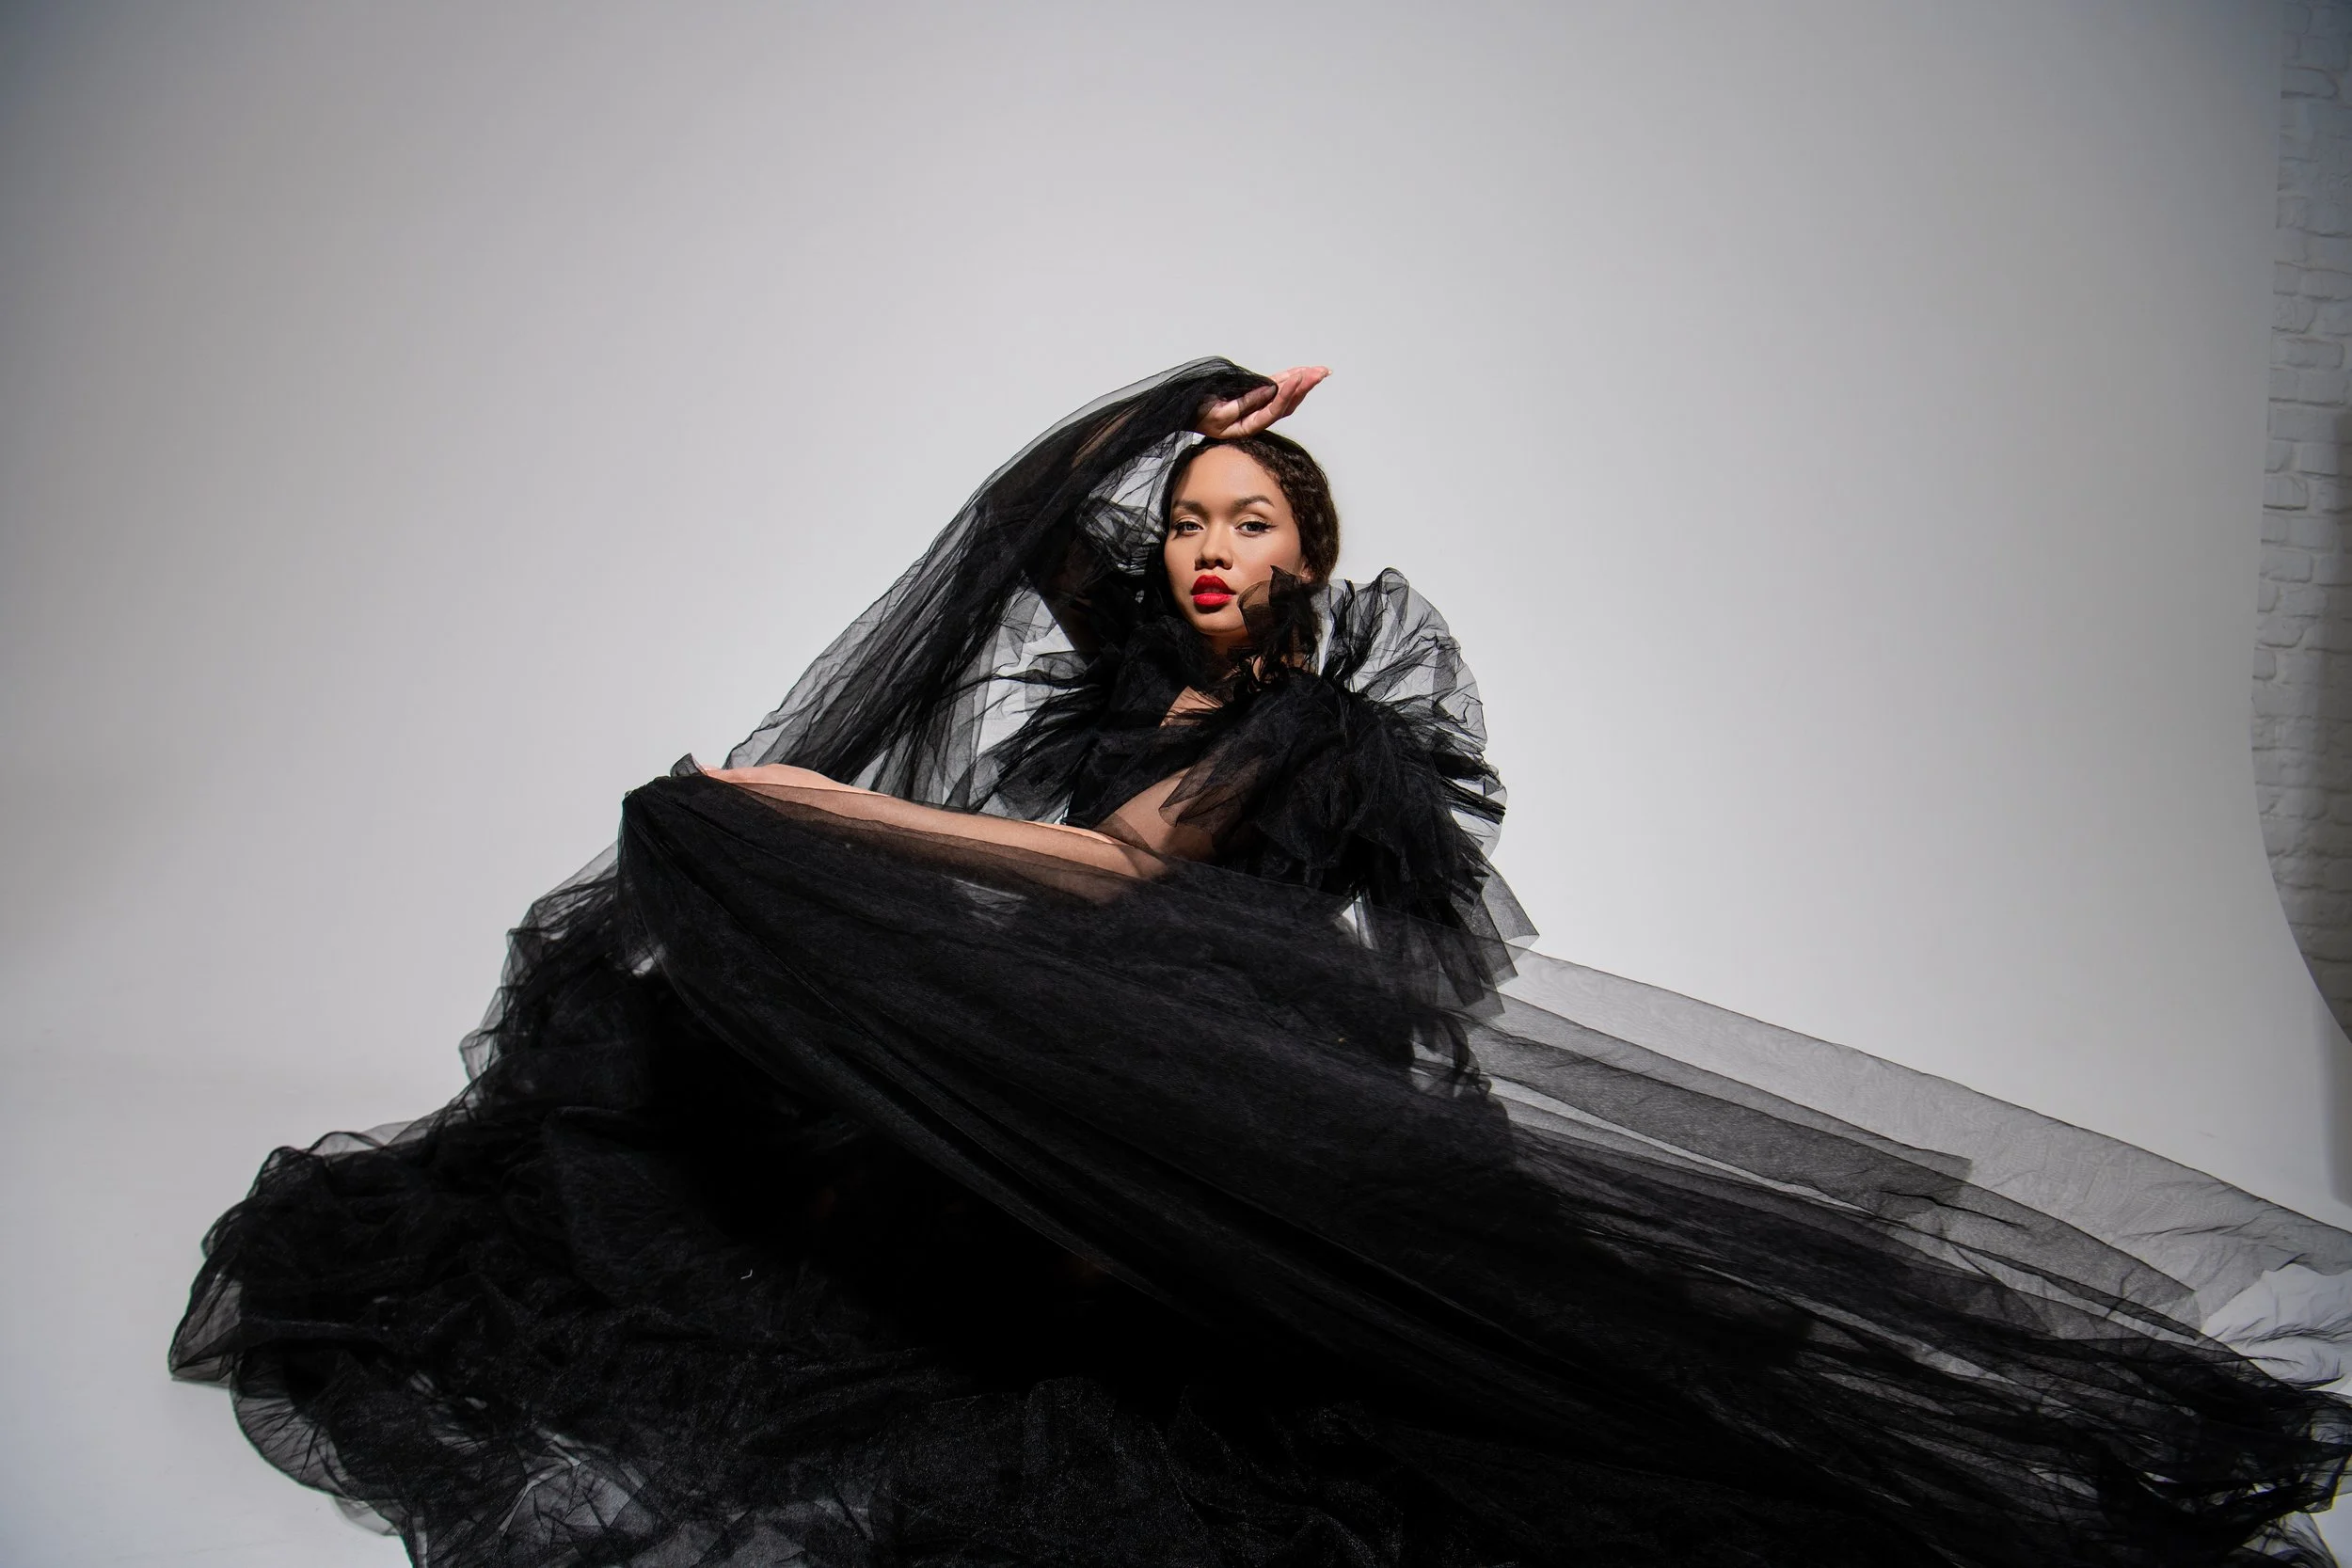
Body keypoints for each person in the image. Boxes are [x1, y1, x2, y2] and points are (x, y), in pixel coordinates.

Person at [173, 359, 2352, 1568]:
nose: (1209, 555)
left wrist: (825, 813)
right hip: (1128, 1021)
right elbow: (1021, 533)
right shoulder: (1144, 633)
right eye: (1194, 523)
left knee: (1238, 1379)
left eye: (1249, 526)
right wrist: (1176, 407)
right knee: (771, 1112)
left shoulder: (1295, 715)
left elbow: (1115, 874)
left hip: (1224, 1034)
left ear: (1307, 564)